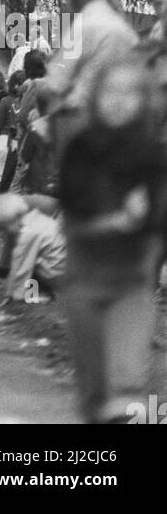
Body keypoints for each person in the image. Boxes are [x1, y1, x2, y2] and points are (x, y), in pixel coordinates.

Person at [56, 49, 167, 423]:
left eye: (130, 92)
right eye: (110, 91)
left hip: (132, 284)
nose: (119, 101)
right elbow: (74, 222)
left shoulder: (155, 158)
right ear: (97, 96)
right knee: (93, 396)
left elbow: (158, 225)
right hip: (84, 284)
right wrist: (119, 221)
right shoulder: (80, 151)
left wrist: (146, 221)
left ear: (144, 100)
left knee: (124, 390)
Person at [0, 194, 66, 305]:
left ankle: (33, 297)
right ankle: (45, 291)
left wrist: (12, 295)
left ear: (16, 216)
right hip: (67, 269)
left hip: (58, 276)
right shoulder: (37, 218)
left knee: (29, 263)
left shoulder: (28, 234)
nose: (6, 232)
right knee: (35, 261)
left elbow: (21, 267)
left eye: (5, 227)